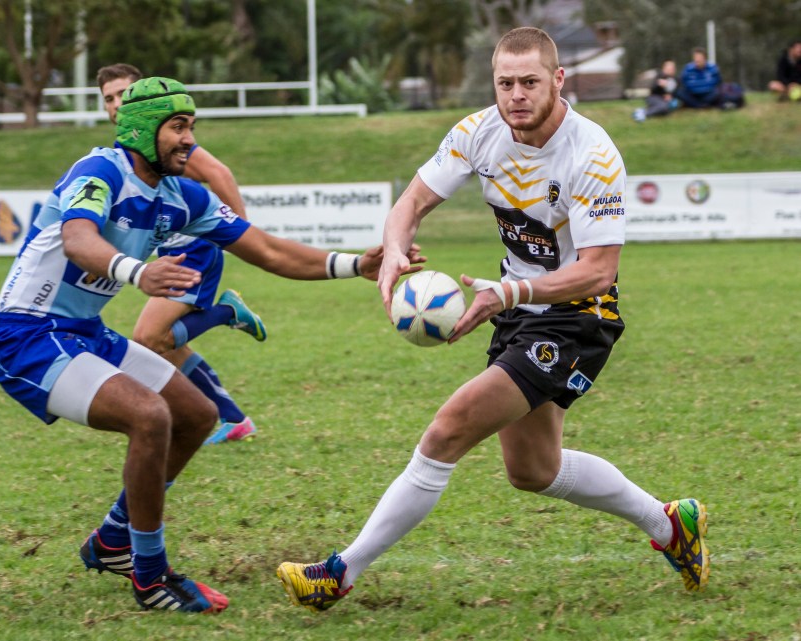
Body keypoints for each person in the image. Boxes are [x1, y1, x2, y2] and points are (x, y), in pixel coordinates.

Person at [276, 27, 709, 613]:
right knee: (532, 469)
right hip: (515, 305)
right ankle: (670, 525)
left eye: (530, 82)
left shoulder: (593, 153)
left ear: (558, 80)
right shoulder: (478, 133)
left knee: (447, 429)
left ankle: (339, 572)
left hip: (574, 316)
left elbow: (598, 272)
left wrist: (509, 293)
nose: (516, 96)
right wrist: (396, 247)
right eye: (505, 83)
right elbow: (412, 203)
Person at [0, 76, 423, 614]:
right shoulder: (100, 171)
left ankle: (114, 539)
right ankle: (150, 576)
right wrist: (138, 272)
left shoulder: (181, 196)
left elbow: (265, 249)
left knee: (196, 414)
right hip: (26, 334)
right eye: (177, 127)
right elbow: (78, 241)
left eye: (191, 126)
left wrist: (354, 264)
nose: (188, 139)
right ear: (143, 131)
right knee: (150, 417)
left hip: (83, 334)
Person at [98, 63, 261, 444]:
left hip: (195, 245)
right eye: (109, 98)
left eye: (124, 93)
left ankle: (226, 312)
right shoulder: (129, 150)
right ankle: (233, 419)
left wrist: (239, 231)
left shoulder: (171, 137)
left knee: (149, 340)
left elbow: (219, 173)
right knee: (168, 346)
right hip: (171, 248)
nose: (117, 103)